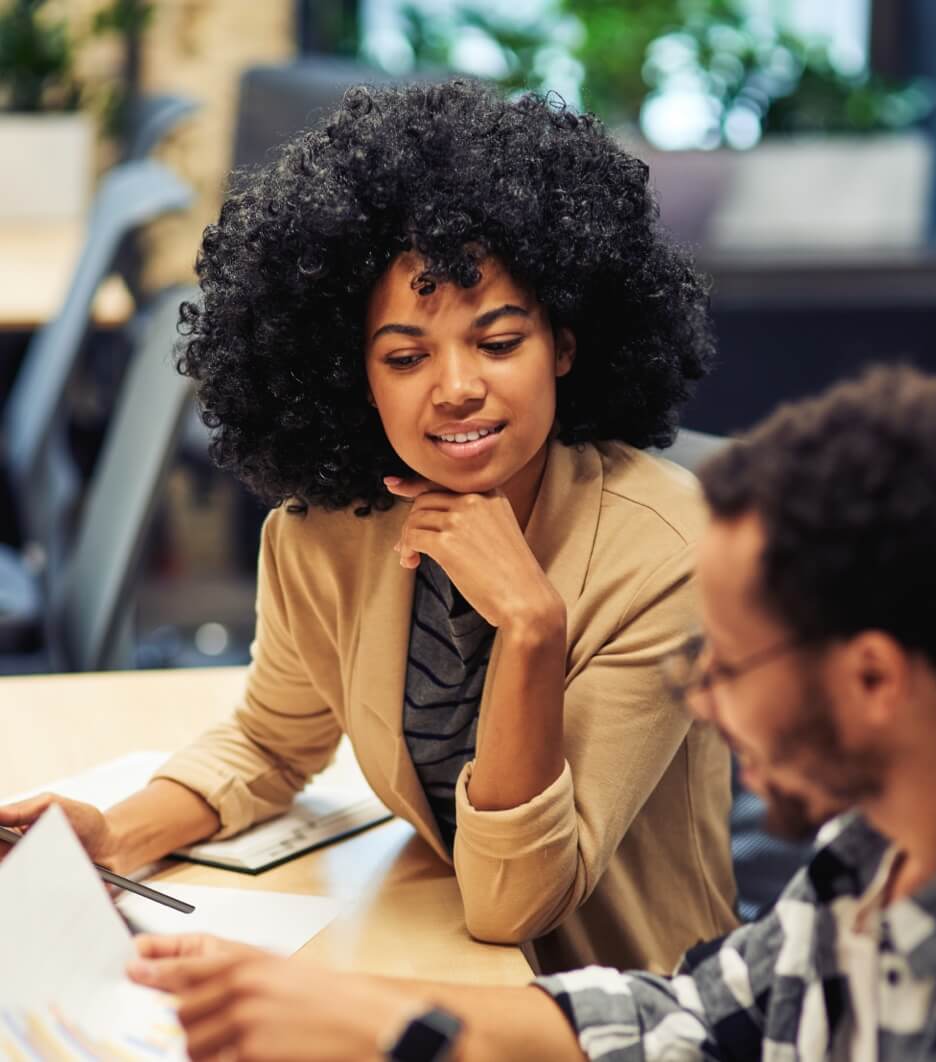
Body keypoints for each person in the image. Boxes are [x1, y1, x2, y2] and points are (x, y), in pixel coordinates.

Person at [0, 79, 738, 974]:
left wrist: (533, 627)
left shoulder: (662, 549)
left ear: (566, 345)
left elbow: (517, 903)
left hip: (626, 1007)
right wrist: (110, 836)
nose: (458, 385)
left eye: (499, 342)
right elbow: (272, 742)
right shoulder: (328, 534)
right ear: (354, 373)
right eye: (406, 356)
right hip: (435, 961)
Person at [129, 365, 936, 1061]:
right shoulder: (873, 856)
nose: (705, 702)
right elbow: (704, 1022)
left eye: (729, 665)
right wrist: (361, 1012)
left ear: (873, 679)